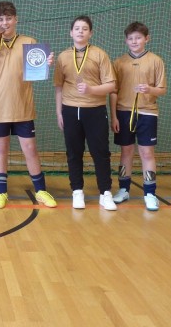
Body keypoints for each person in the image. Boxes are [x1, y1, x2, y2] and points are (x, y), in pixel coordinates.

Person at [0, 1, 56, 209]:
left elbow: (37, 72)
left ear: (16, 19)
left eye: (9, 18)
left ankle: (41, 191)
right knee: (0, 149)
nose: (5, 23)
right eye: (1, 19)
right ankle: (1, 192)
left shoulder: (29, 42)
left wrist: (45, 64)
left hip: (22, 106)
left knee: (30, 149)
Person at [53, 15, 117, 211]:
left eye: (85, 28)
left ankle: (105, 193)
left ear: (91, 33)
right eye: (77, 28)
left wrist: (91, 90)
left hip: (95, 110)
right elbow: (58, 86)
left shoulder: (100, 54)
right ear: (71, 33)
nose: (80, 31)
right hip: (70, 110)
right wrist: (59, 112)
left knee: (101, 153)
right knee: (74, 153)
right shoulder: (63, 57)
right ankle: (77, 191)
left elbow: (111, 85)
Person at [109, 22, 167, 211]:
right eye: (131, 38)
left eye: (138, 38)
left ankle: (150, 193)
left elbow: (162, 89)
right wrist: (114, 116)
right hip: (123, 112)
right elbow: (113, 91)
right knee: (125, 151)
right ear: (126, 40)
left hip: (147, 113)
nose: (134, 41)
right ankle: (123, 189)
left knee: (147, 153)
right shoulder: (118, 63)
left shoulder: (156, 61)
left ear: (146, 39)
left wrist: (150, 89)